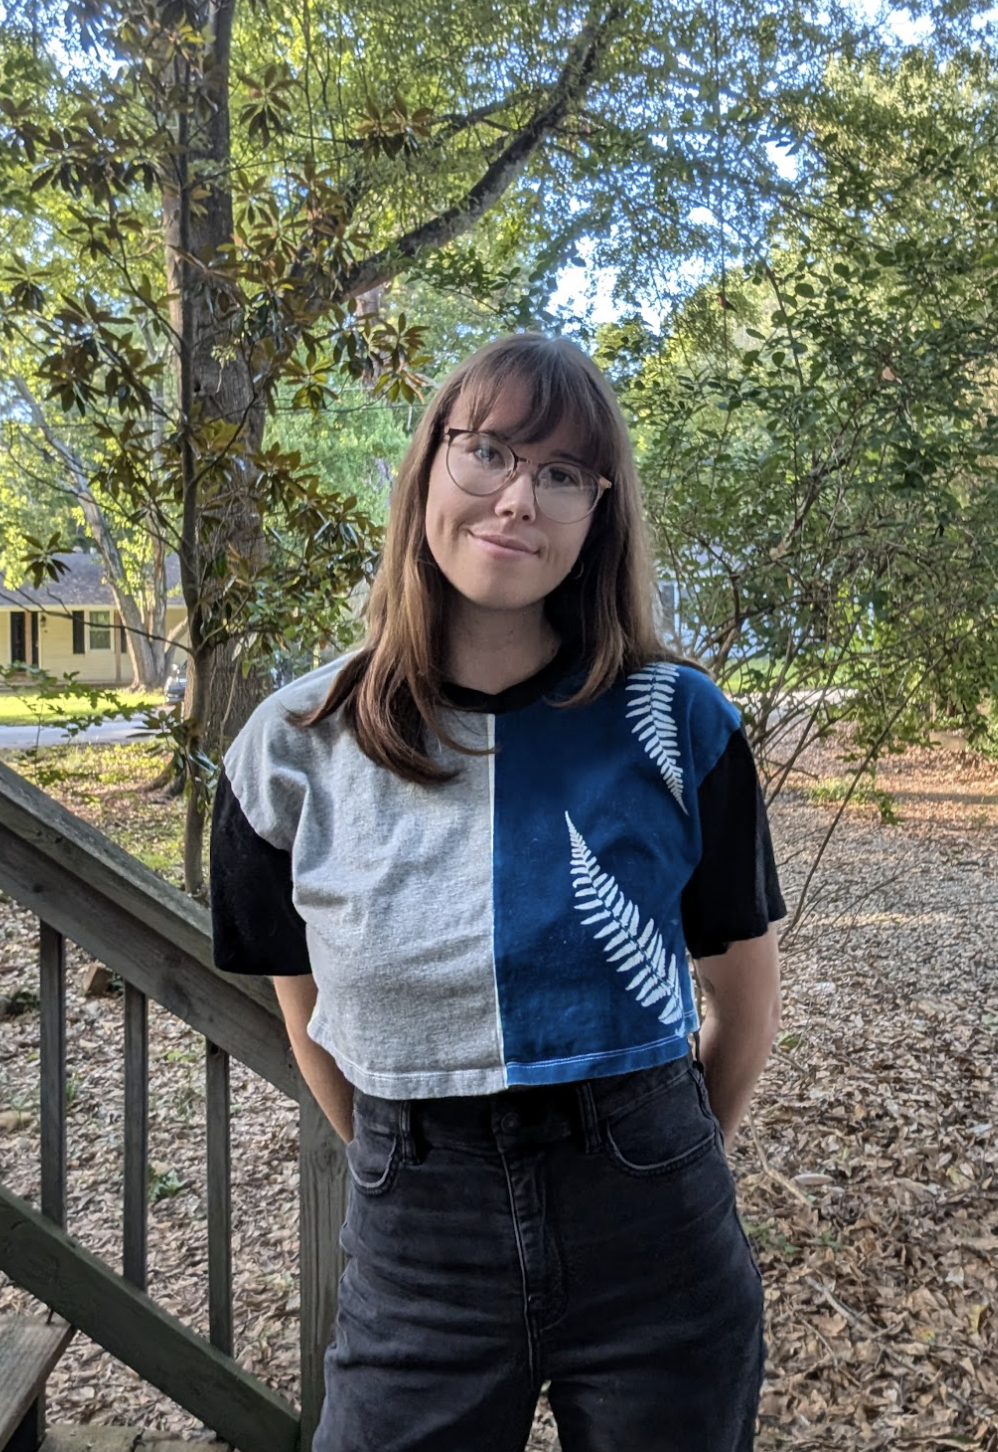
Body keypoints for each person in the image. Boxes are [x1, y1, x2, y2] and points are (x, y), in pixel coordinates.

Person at [210, 333, 785, 1452]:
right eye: (488, 452)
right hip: (416, 1245)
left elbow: (743, 998)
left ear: (596, 511)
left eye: (562, 473)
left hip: (654, 1230)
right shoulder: (289, 747)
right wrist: (410, 1161)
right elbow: (305, 1017)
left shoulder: (681, 724)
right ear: (427, 466)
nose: (518, 498)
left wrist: (664, 1165)